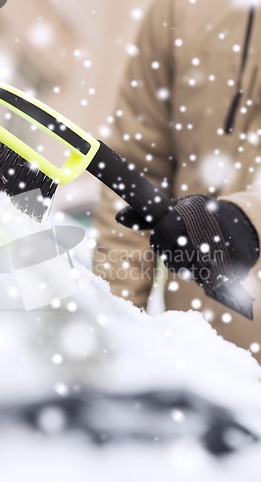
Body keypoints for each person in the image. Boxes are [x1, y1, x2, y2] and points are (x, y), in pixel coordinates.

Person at [93, 0, 261, 363]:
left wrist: (250, 221)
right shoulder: (179, 10)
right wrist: (112, 331)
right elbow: (136, 169)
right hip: (196, 358)